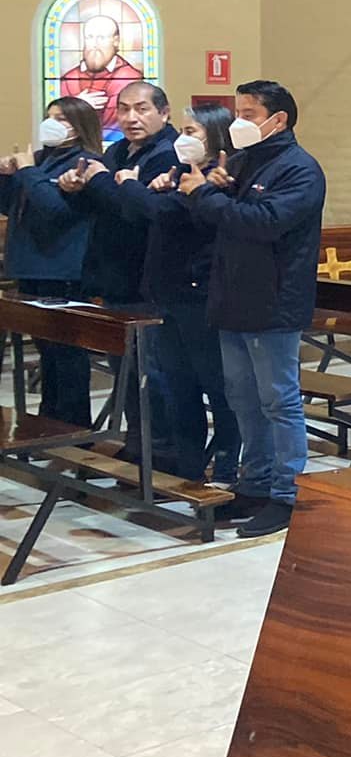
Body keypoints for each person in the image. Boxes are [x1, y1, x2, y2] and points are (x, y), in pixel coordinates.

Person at [185, 80, 327, 539]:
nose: (238, 123)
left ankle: (286, 494)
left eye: (248, 114)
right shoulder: (242, 161)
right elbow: (217, 221)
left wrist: (206, 195)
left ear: (278, 119)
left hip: (274, 303)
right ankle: (255, 483)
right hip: (233, 298)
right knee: (242, 399)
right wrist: (211, 188)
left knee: (278, 401)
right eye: (238, 113)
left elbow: (265, 223)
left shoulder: (300, 169)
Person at [121, 105, 243, 485]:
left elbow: (166, 214)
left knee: (215, 385)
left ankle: (226, 464)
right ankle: (188, 466)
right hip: (166, 293)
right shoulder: (178, 175)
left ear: (215, 137)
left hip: (199, 295)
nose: (182, 138)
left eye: (192, 132)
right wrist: (155, 187)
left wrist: (130, 184)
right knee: (178, 385)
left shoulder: (218, 180)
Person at [60, 83, 182, 458]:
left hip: (148, 279)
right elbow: (100, 207)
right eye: (124, 109)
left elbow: (135, 212)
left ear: (164, 112)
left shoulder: (168, 155)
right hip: (114, 277)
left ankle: (160, 450)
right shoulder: (116, 151)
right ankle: (138, 442)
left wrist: (98, 180)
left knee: (152, 373)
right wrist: (74, 188)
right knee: (127, 372)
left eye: (142, 109)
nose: (131, 118)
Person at [0, 97, 102, 425]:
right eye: (49, 116)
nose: (52, 123)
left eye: (61, 118)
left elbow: (55, 210)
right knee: (47, 351)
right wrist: (5, 176)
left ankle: (74, 424)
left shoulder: (85, 162)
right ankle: (49, 419)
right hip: (30, 264)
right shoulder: (42, 158)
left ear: (79, 126)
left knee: (66, 351)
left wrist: (28, 171)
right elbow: (12, 205)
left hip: (62, 267)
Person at [58, 15, 144, 130]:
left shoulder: (129, 78)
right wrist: (77, 105)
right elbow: (56, 122)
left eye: (101, 38)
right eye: (89, 37)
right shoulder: (69, 79)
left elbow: (114, 125)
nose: (95, 44)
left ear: (116, 41)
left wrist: (78, 109)